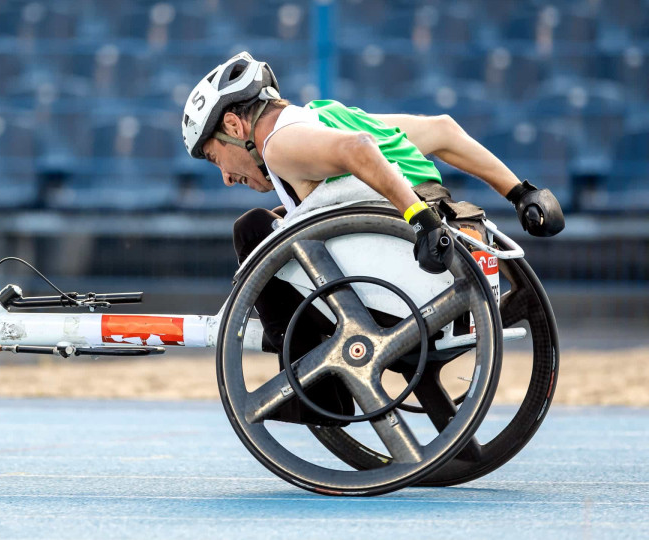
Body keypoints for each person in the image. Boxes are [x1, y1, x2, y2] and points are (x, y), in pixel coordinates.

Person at [181, 52, 565, 425]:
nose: (227, 178)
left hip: (405, 288)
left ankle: (317, 397)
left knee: (251, 231)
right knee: (280, 220)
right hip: (441, 269)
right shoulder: (325, 115)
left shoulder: (279, 144)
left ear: (234, 126)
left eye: (216, 160)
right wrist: (520, 193)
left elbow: (357, 150)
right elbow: (443, 131)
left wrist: (421, 220)